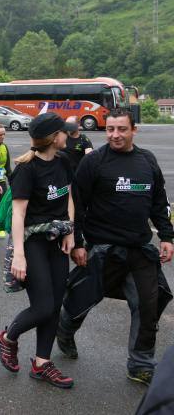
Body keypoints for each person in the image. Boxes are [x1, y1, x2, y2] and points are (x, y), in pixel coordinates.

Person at [57, 110, 174, 386]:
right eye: (110, 129)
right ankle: (65, 330)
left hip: (140, 249)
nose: (115, 135)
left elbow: (158, 201)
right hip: (102, 249)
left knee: (148, 305)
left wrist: (167, 236)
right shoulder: (94, 162)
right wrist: (79, 243)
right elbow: (77, 205)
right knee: (81, 299)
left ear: (134, 129)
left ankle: (141, 364)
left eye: (121, 129)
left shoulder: (147, 160)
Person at [0, 112, 75, 388]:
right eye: (64, 131)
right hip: (33, 243)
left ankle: (42, 363)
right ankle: (8, 337)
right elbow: (18, 214)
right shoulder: (27, 170)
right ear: (55, 137)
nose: (68, 134)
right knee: (43, 306)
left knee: (55, 306)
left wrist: (70, 229)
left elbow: (69, 195)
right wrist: (19, 254)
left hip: (57, 240)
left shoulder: (63, 161)